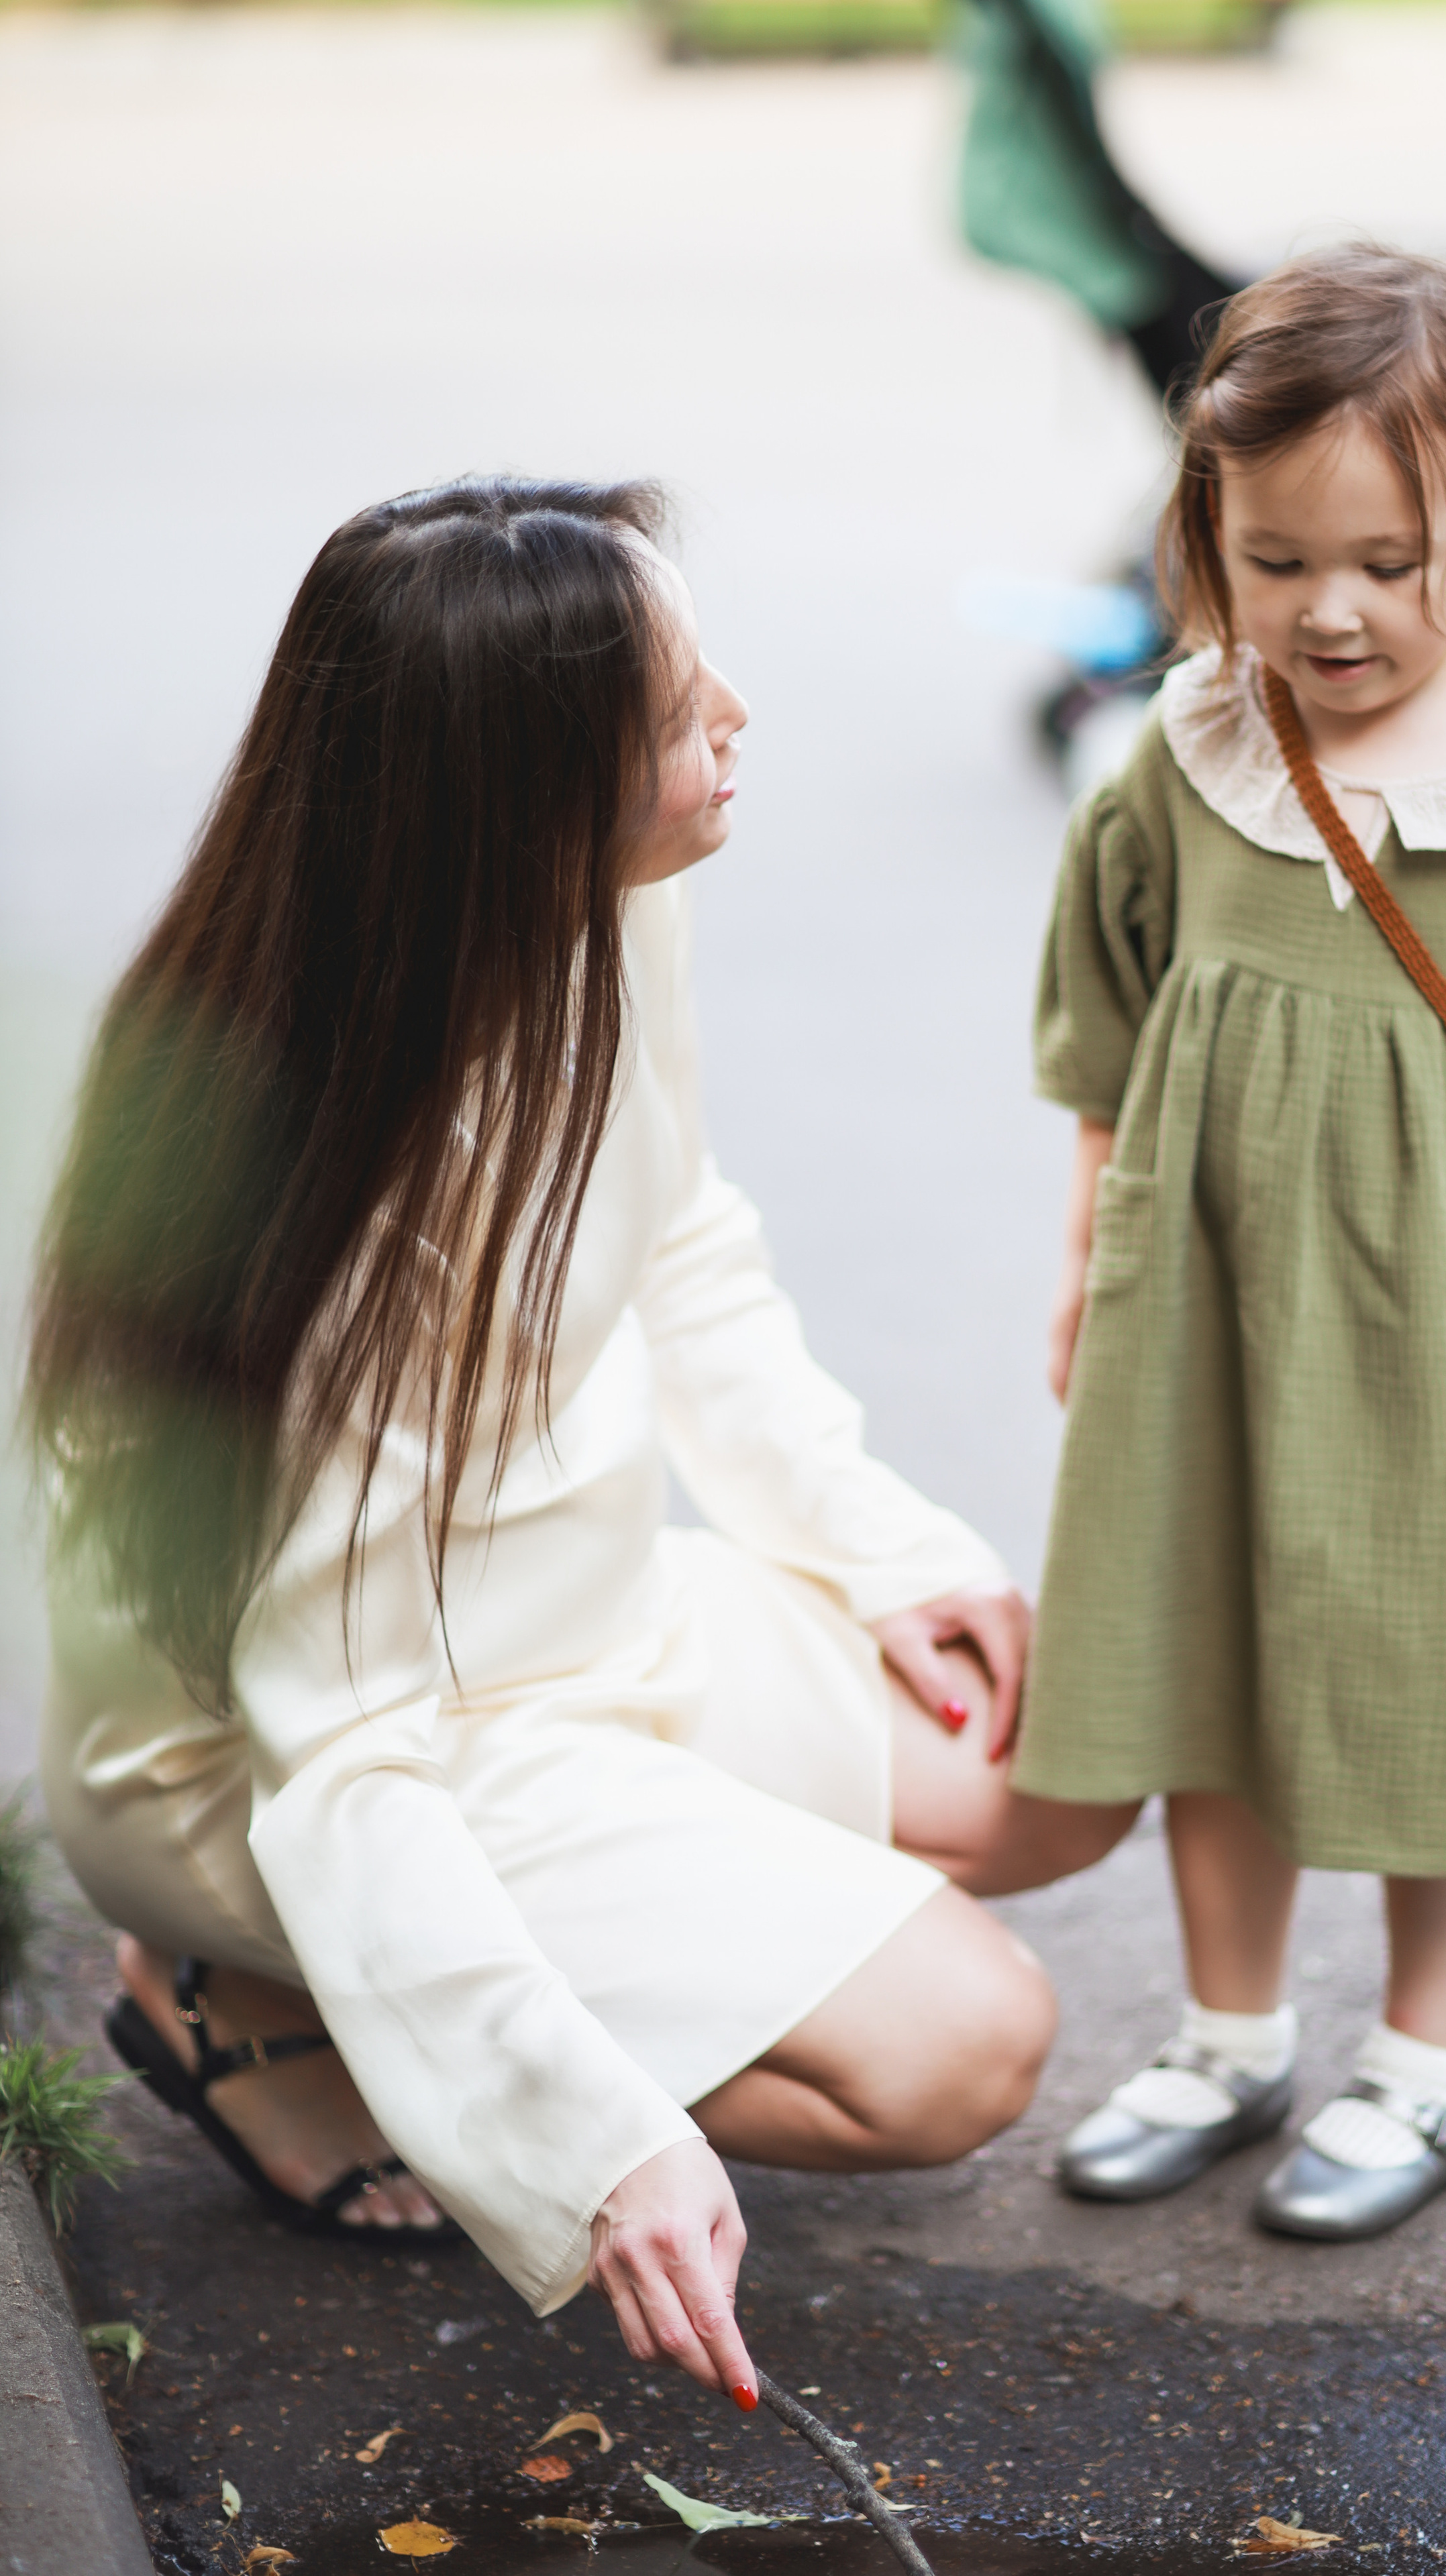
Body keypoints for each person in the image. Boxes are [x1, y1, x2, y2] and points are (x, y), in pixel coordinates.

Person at [28, 478, 1111, 2398]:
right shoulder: (315, 1190)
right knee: (970, 2053)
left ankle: (427, 1983)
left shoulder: (590, 908)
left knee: (1073, 1763)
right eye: (684, 711)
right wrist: (582, 2135)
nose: (743, 720)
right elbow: (343, 1752)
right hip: (312, 1755)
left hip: (569, 1632)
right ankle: (266, 2003)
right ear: (521, 799)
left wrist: (888, 1550)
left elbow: (683, 1237)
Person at [1019, 245, 1446, 2241]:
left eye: (1388, 562)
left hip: (1433, 1319)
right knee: (1201, 1660)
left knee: (1430, 1675)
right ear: (1208, 537)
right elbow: (1110, 1023)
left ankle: (1425, 2069)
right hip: (1199, 1299)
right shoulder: (1190, 748)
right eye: (1276, 560)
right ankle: (1230, 2037)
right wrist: (1087, 1253)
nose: (1329, 613)